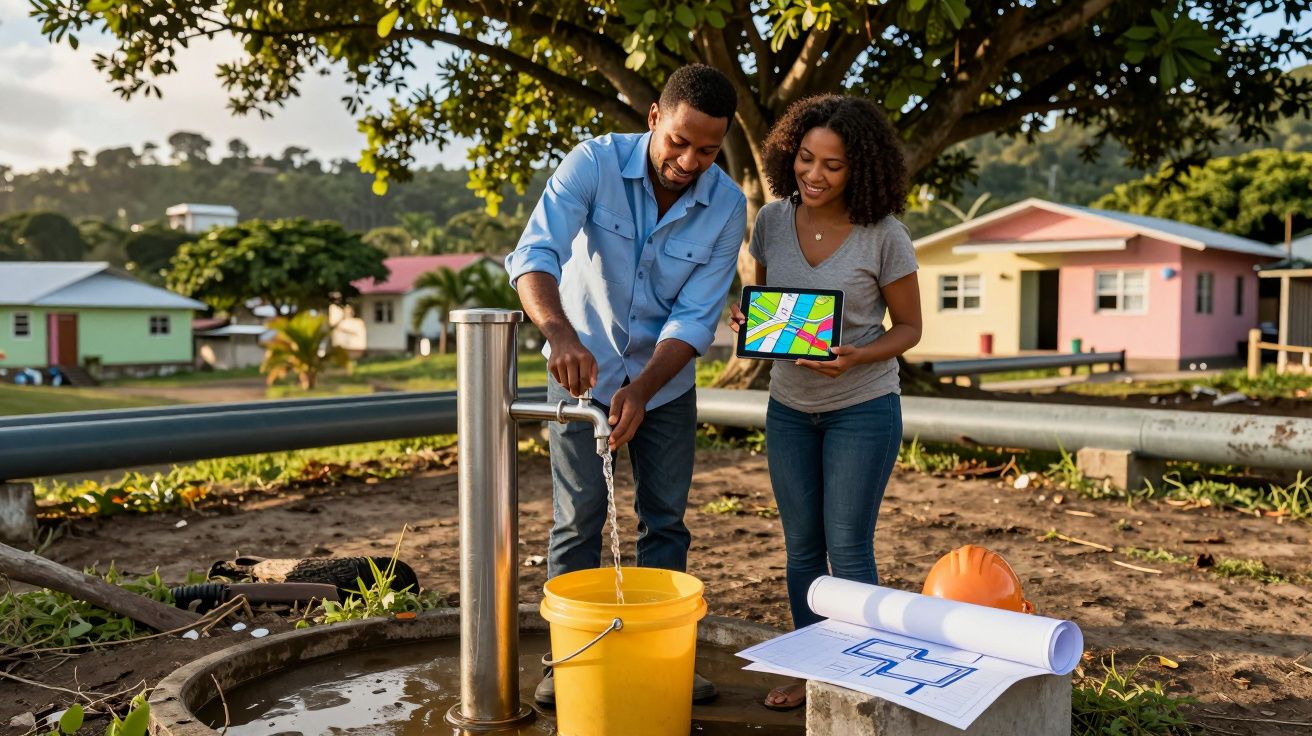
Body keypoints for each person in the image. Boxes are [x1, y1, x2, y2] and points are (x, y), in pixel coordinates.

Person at [505, 64, 747, 707]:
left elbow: (695, 317)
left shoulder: (727, 205)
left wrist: (641, 389)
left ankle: (665, 656)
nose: (689, 160)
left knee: (665, 521)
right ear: (653, 120)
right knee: (577, 519)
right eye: (679, 141)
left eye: (707, 149)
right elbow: (535, 254)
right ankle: (571, 663)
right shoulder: (593, 163)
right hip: (575, 375)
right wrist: (558, 333)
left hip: (664, 386)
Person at [728, 94, 923, 711]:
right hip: (789, 407)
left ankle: (861, 676)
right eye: (806, 159)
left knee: (848, 544)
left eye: (832, 166)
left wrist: (857, 355)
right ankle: (815, 666)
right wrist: (748, 324)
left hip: (862, 407)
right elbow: (764, 306)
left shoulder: (885, 235)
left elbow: (910, 328)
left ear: (859, 169)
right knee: (802, 546)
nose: (814, 175)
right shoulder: (771, 222)